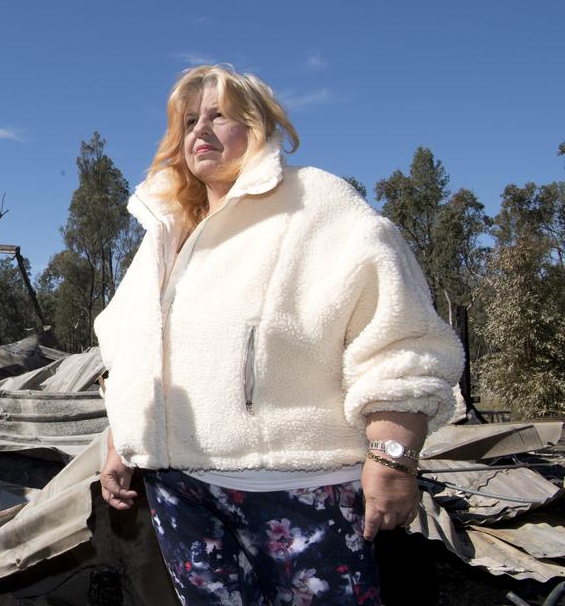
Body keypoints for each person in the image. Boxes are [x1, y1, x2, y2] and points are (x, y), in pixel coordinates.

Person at [95, 64, 462, 606]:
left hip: (295, 490)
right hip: (180, 493)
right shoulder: (166, 231)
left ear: (261, 125)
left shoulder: (318, 205)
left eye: (219, 115)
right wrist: (122, 442)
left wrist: (391, 457)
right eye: (190, 119)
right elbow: (128, 349)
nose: (200, 130)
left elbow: (398, 339)